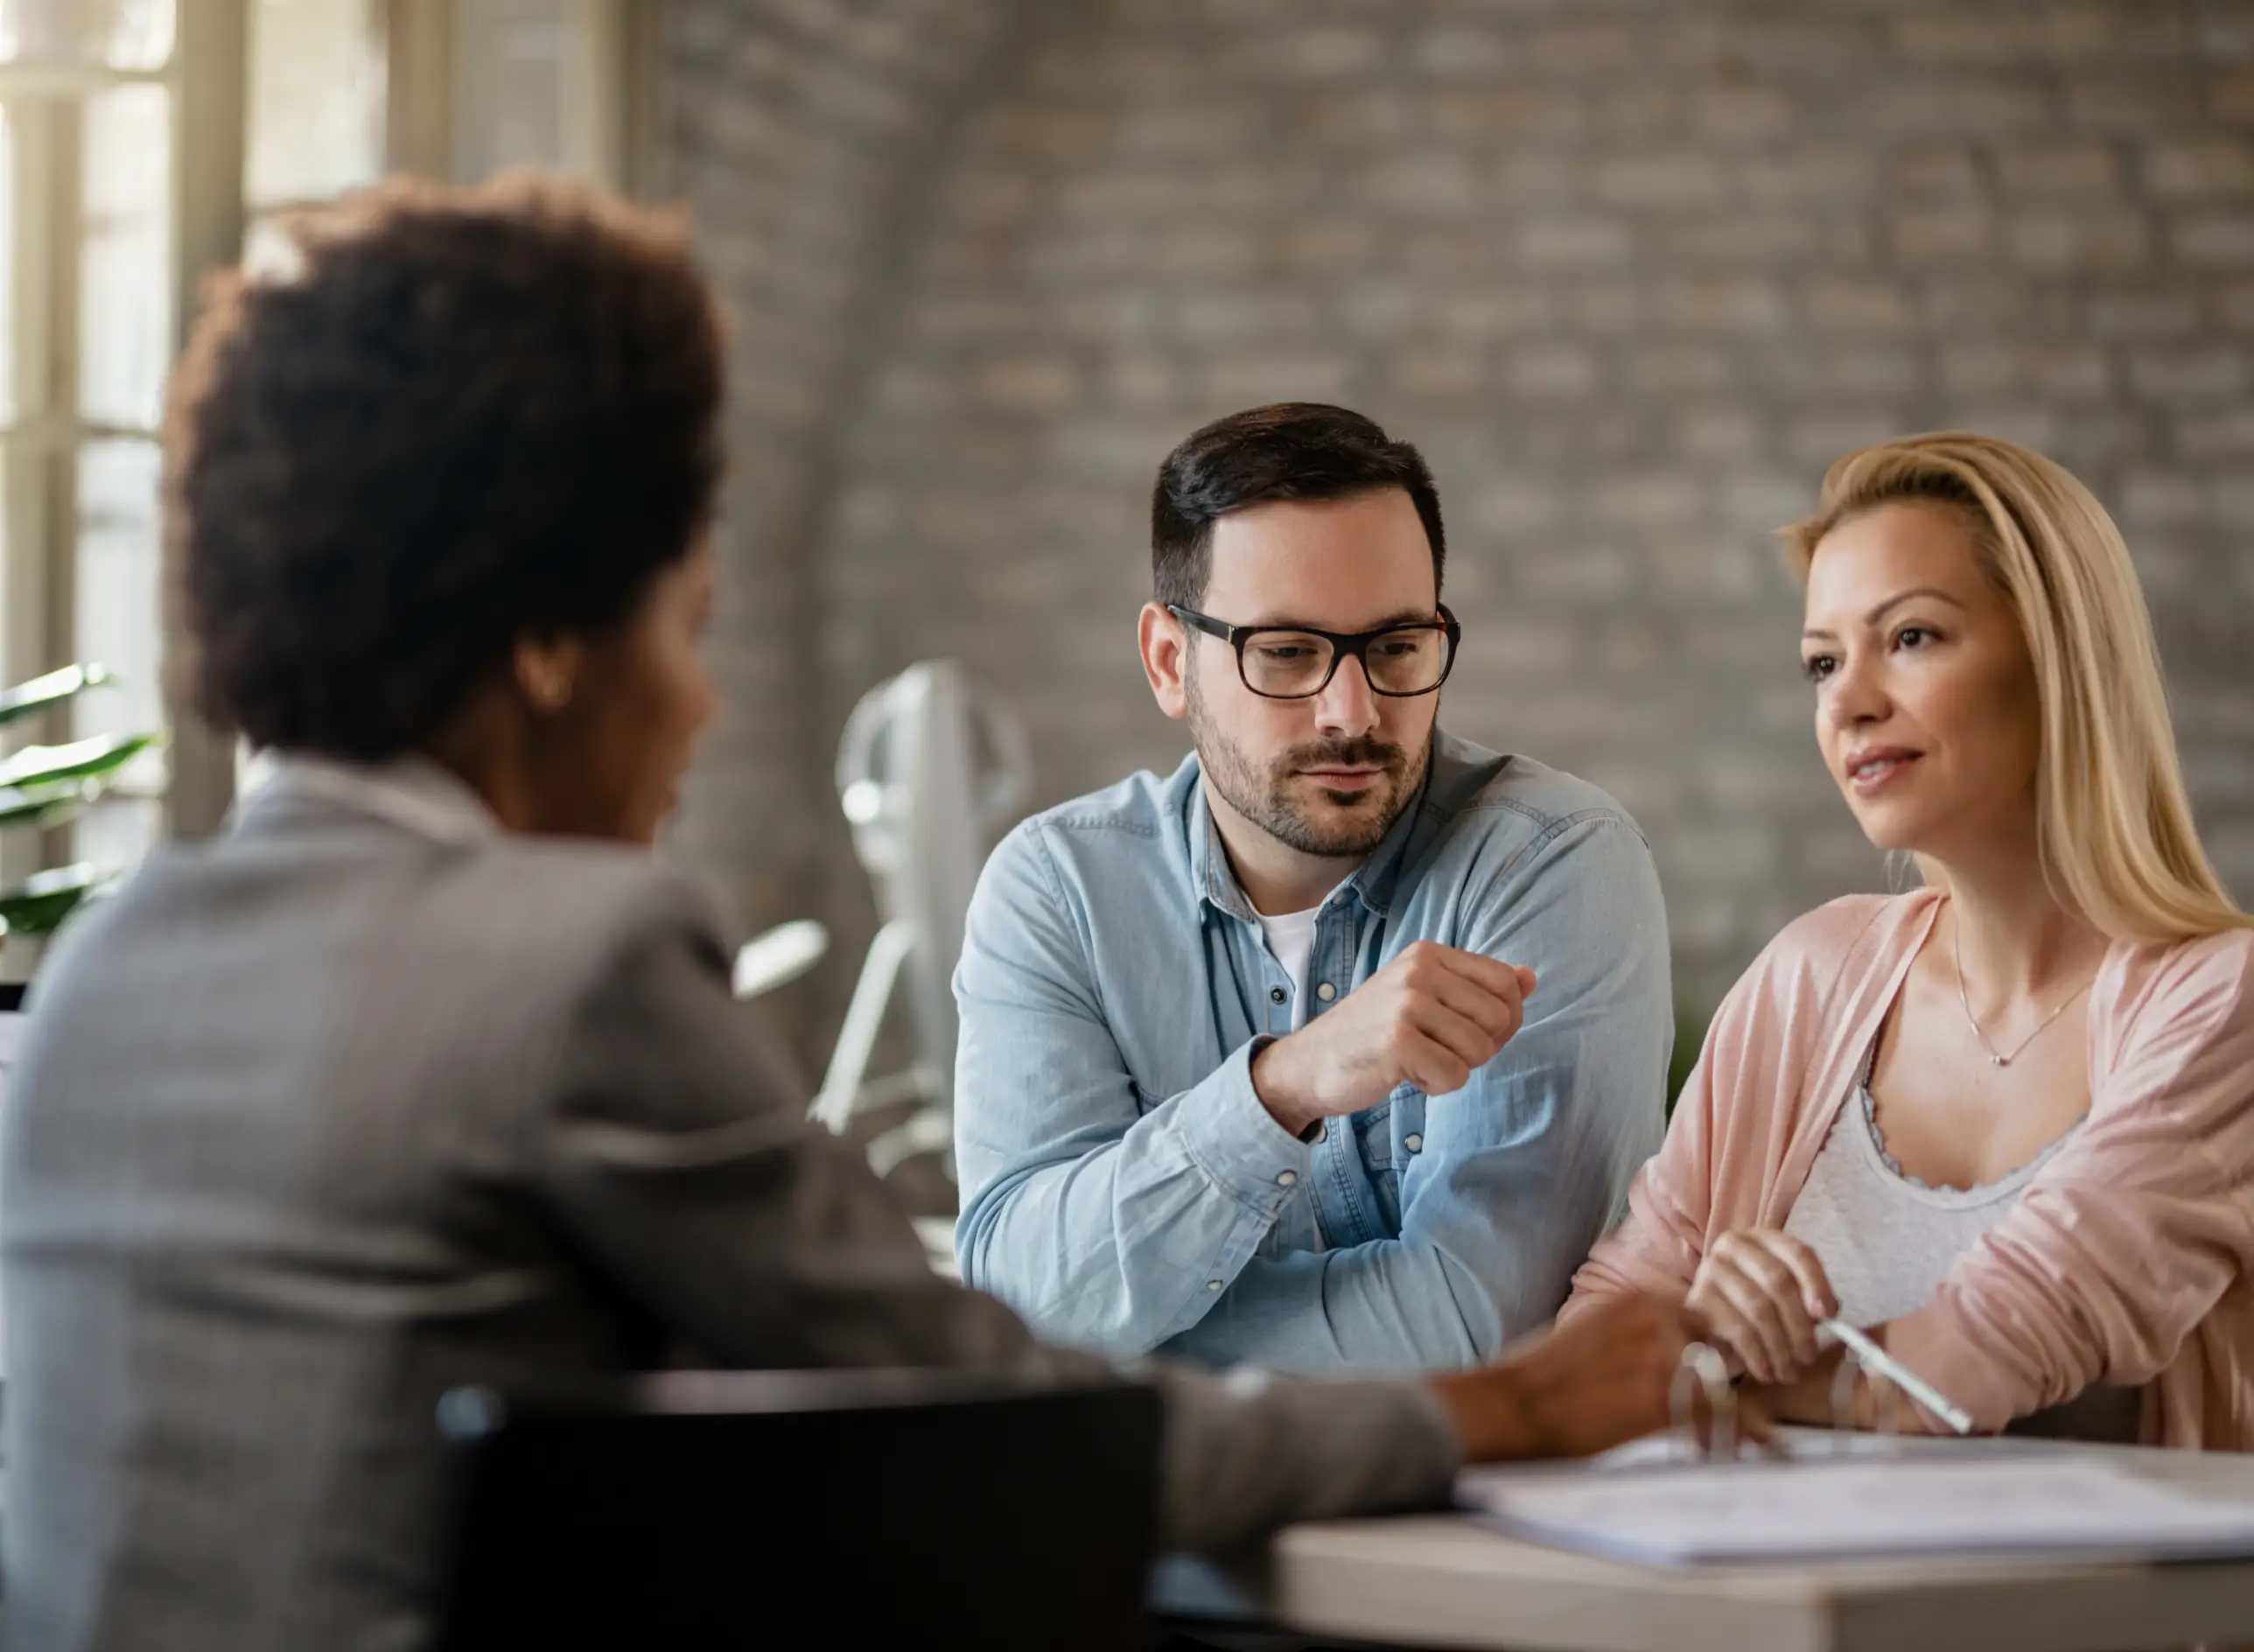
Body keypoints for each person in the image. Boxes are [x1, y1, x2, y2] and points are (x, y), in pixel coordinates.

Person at [0, 178, 1703, 1652]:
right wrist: (1495, 1407)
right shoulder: (569, 967)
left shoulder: (109, 967)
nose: (703, 708)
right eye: (686, 628)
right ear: (548, 646)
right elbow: (984, 1403)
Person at [952, 402, 1672, 1371]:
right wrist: (1282, 1087)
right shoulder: (1059, 892)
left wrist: (1119, 1344)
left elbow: (1483, 1330)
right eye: (1287, 652)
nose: (1352, 712)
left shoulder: (1549, 861)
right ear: (1170, 663)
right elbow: (1015, 1297)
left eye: (1396, 646)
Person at [1568, 431, 2254, 1447]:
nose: (1847, 703)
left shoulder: (2219, 1001)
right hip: (1757, 1556)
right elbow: (1586, 1348)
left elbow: (1972, 1362)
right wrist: (1697, 1325)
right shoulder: (1808, 976)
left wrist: (1706, 1372)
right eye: (1821, 662)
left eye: (1910, 637)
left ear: (2056, 659)